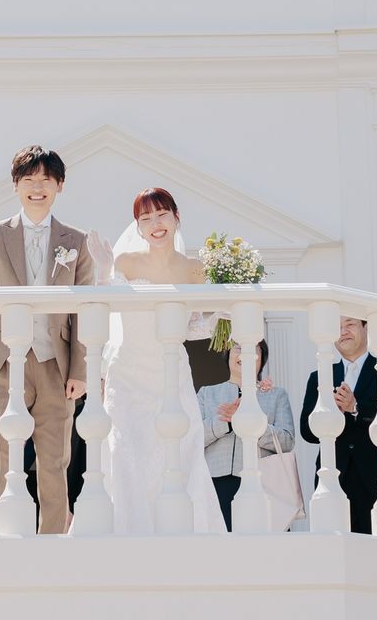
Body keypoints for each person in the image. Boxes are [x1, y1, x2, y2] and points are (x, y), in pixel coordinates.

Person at [0, 145, 95, 534]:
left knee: (55, 462)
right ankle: (9, 541)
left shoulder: (76, 240)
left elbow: (84, 309)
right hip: (4, 363)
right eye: (29, 180)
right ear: (16, 186)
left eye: (45, 180)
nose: (37, 188)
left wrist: (80, 368)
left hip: (56, 365)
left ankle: (51, 545)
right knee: (4, 459)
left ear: (60, 185)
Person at [87, 187, 226, 533]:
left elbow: (192, 327)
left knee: (180, 451)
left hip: (171, 375)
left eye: (162, 214)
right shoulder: (126, 263)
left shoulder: (195, 270)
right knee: (126, 453)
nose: (155, 224)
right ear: (138, 226)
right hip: (129, 375)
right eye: (146, 218)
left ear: (176, 217)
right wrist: (103, 271)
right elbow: (105, 308)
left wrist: (221, 318)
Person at [298, 316, 377, 534]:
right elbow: (307, 431)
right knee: (334, 546)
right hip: (333, 477)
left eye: (350, 324)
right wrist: (329, 415)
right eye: (337, 327)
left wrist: (355, 407)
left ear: (366, 327)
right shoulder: (319, 376)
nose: (343, 331)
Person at [197, 340, 295, 531]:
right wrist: (226, 422)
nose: (244, 353)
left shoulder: (277, 395)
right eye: (238, 348)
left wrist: (251, 422)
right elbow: (193, 438)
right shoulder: (207, 394)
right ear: (228, 356)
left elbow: (287, 441)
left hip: (264, 484)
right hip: (216, 483)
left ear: (262, 358)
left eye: (252, 348)